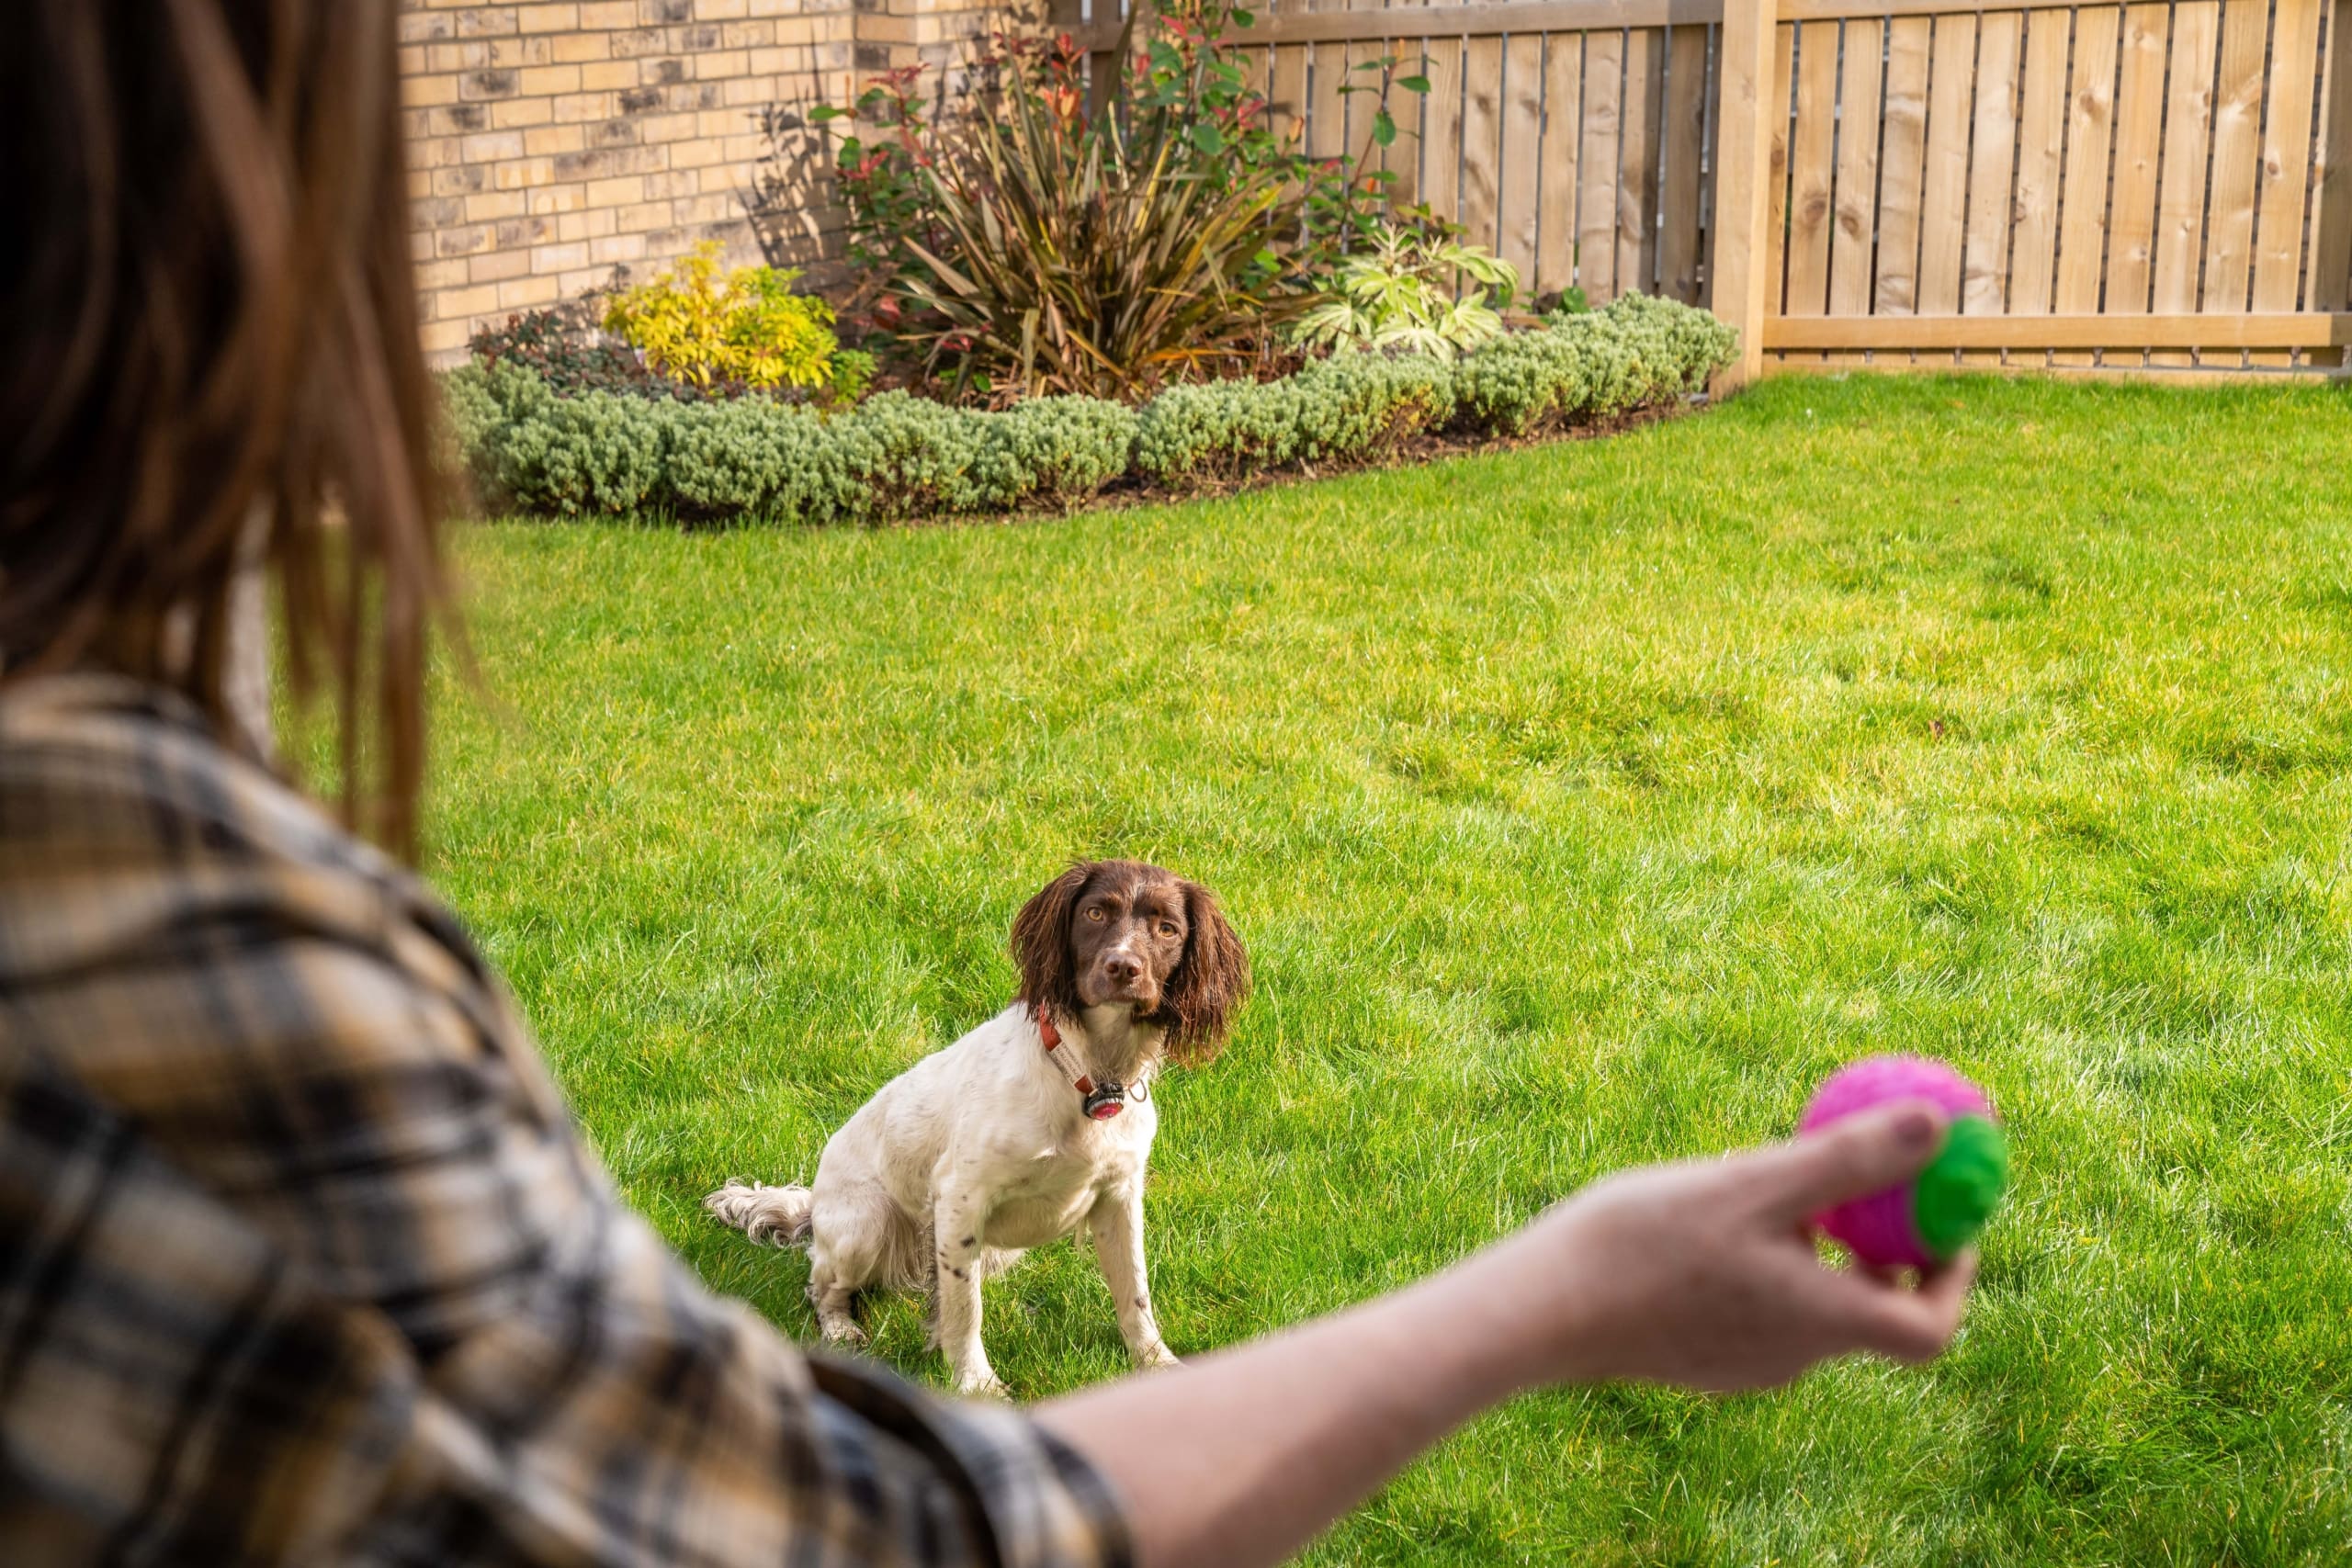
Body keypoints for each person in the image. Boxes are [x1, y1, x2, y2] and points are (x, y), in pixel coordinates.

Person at [0, 4, 1976, 1564]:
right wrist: (1552, 1295)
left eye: (1157, 927)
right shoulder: (150, 915)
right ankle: (822, 1260)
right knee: (863, 1231)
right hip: (908, 1219)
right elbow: (826, 1527)